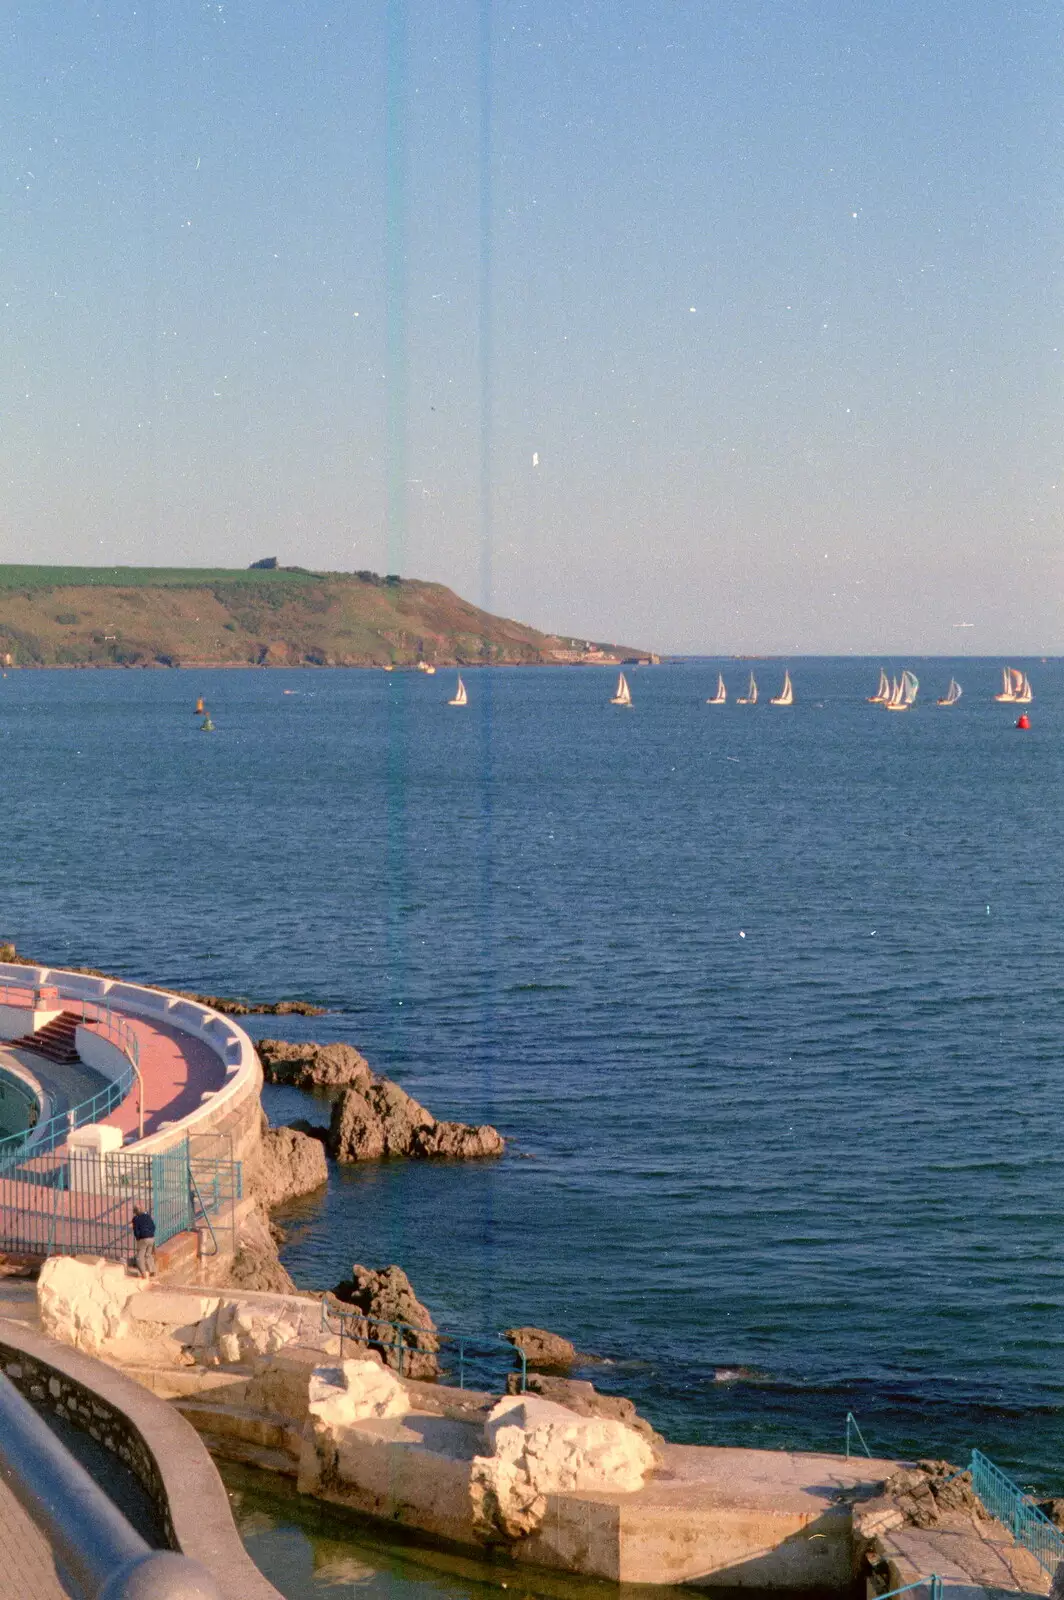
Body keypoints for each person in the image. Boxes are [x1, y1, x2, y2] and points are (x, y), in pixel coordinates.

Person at [131, 1206, 156, 1278]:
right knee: (148, 1255)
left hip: (143, 1238)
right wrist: (151, 1234)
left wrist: (138, 1237)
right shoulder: (148, 1216)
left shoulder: (136, 1219)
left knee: (139, 1257)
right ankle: (152, 1271)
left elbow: (135, 1230)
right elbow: (153, 1226)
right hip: (151, 1238)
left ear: (135, 1212)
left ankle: (143, 1274)